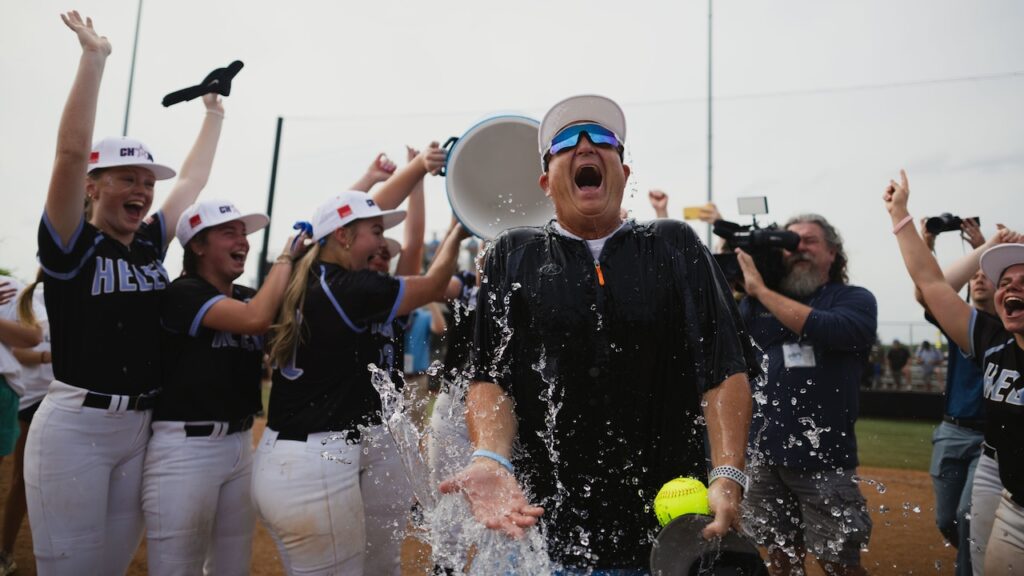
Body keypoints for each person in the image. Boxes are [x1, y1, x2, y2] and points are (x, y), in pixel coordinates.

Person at [439, 94, 760, 572]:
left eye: (604, 139)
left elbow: (723, 370)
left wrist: (728, 471)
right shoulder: (514, 254)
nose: (586, 146)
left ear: (624, 173)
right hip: (542, 534)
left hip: (666, 539)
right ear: (547, 182)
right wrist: (489, 456)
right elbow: (491, 378)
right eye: (566, 141)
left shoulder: (674, 245)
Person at [26, 12, 222, 574]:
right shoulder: (71, 244)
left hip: (138, 427)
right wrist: (95, 59)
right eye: (126, 177)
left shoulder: (147, 244)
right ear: (93, 186)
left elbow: (191, 182)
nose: (142, 189)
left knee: (109, 566)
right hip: (74, 427)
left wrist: (213, 112)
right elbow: (67, 154)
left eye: (145, 181)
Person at [255, 189, 468, 575]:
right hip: (314, 454)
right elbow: (435, 281)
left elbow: (413, 248)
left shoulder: (324, 279)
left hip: (328, 446)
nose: (382, 246)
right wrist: (460, 229)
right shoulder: (349, 289)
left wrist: (417, 175)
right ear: (342, 235)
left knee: (375, 563)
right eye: (374, 235)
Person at [140, 200, 306, 575]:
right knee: (175, 568)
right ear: (197, 245)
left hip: (239, 444)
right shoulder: (182, 294)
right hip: (185, 450)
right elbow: (256, 319)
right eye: (229, 233)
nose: (243, 241)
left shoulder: (246, 294)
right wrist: (284, 259)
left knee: (232, 566)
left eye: (244, 233)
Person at [884, 170, 1024, 574]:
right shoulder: (992, 338)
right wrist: (900, 215)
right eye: (1005, 281)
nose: (1011, 286)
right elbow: (929, 282)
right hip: (1006, 486)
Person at [735, 213, 876, 575]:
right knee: (781, 559)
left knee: (838, 564)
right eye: (790, 242)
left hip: (824, 461)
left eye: (810, 241)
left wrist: (762, 292)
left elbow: (831, 328)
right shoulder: (754, 304)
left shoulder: (853, 298)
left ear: (833, 253)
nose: (798, 248)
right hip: (764, 457)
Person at [914, 219, 1005, 575]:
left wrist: (987, 248)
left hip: (990, 438)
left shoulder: (1010, 328)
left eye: (987, 274)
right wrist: (927, 244)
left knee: (969, 514)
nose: (978, 278)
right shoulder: (962, 325)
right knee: (946, 520)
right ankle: (975, 552)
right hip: (952, 432)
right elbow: (930, 286)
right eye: (974, 275)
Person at [0, 273, 51, 576]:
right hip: (33, 400)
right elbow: (20, 348)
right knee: (21, 478)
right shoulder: (34, 297)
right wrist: (49, 356)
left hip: (72, 400)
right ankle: (6, 550)